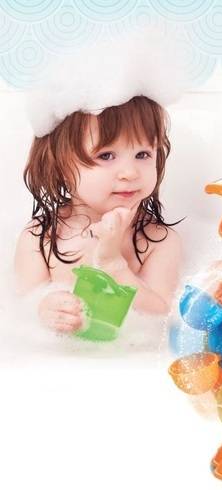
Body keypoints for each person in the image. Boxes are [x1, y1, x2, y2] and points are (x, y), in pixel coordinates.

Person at [14, 32, 185, 333]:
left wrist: (114, 265)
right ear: (61, 165)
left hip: (131, 358)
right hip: (57, 359)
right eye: (106, 155)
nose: (129, 172)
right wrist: (43, 309)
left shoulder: (158, 241)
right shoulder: (41, 239)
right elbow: (18, 314)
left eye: (143, 154)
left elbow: (162, 316)